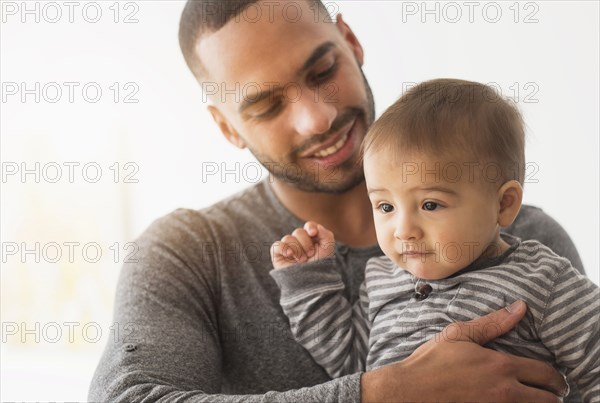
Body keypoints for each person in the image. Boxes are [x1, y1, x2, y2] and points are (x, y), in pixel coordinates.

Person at [89, 1, 585, 401]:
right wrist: (384, 393)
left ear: (351, 43)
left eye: (322, 70)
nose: (317, 119)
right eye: (266, 106)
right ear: (226, 127)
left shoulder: (528, 239)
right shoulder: (188, 252)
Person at [270, 79, 599, 403]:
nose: (403, 230)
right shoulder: (382, 281)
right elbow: (347, 361)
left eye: (430, 205)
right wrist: (307, 279)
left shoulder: (542, 278)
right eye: (385, 206)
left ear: (504, 204)